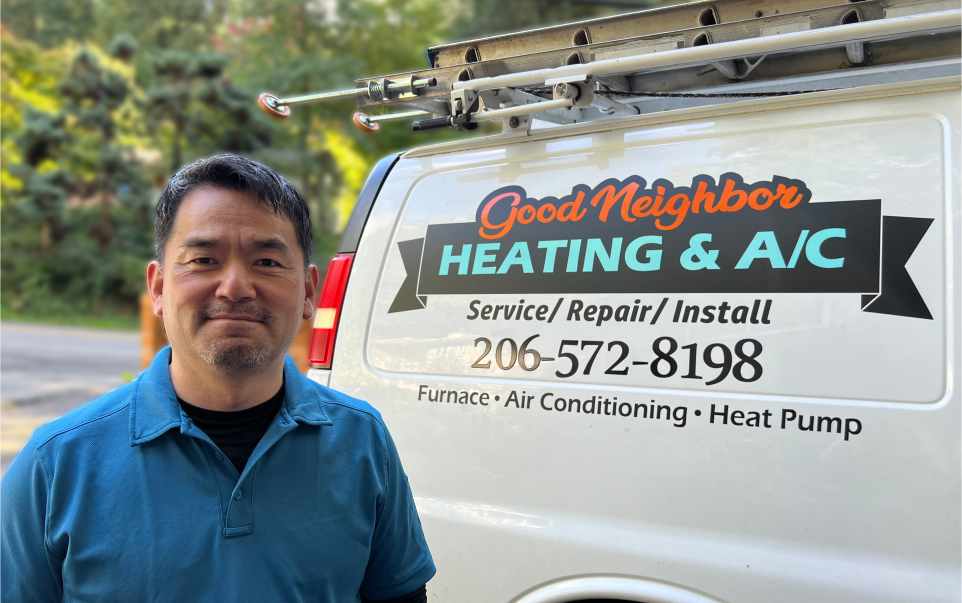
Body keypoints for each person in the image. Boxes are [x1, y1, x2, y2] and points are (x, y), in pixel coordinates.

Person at [0, 155, 436, 602]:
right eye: (204, 259)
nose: (234, 286)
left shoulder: (363, 441)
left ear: (308, 292)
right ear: (158, 287)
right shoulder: (54, 466)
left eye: (266, 261)